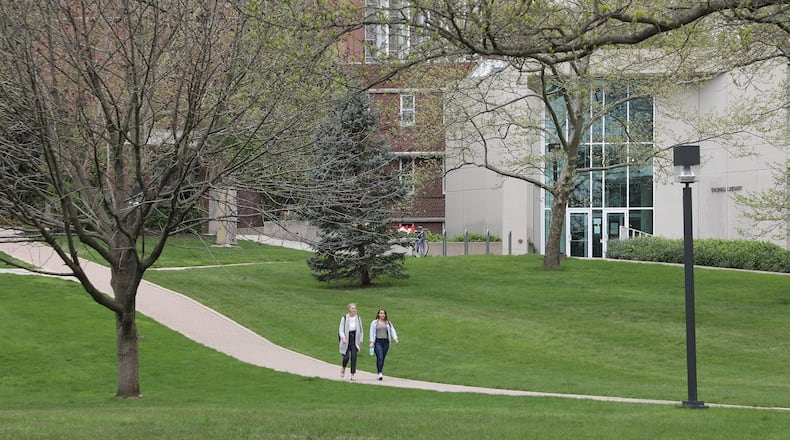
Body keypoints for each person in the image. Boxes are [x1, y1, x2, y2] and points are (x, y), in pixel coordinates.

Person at [368, 308, 399, 380]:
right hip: (378, 341)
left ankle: (380, 370)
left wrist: (395, 339)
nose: (382, 314)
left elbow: (392, 331)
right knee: (380, 357)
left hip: (386, 342)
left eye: (384, 313)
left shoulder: (388, 323)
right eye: (381, 313)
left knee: (382, 358)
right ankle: (380, 373)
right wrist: (372, 342)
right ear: (378, 314)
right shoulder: (374, 323)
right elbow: (371, 332)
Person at [338, 303, 363, 381]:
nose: (354, 310)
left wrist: (360, 339)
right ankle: (343, 367)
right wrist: (343, 338)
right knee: (346, 357)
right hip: (346, 339)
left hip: (354, 339)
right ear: (349, 309)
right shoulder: (344, 318)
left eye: (355, 308)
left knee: (354, 357)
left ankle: (352, 375)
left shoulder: (358, 318)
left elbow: (361, 330)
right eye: (352, 308)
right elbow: (341, 330)